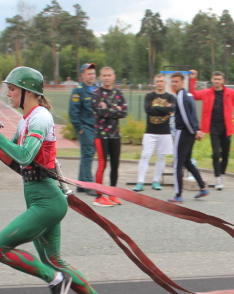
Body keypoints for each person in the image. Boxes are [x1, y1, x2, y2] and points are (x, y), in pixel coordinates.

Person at [0, 66, 113, 294]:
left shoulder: (40, 117)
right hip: (39, 197)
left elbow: (25, 156)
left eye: (12, 89)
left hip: (46, 200)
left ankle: (54, 280)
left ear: (28, 91)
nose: (8, 93)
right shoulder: (26, 119)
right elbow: (14, 160)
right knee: (54, 260)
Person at [188, 70, 234, 190]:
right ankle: (217, 178)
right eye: (215, 79)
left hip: (226, 127)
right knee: (216, 154)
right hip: (213, 126)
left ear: (223, 81)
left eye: (219, 79)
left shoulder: (230, 93)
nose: (217, 81)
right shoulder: (207, 93)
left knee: (225, 155)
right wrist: (192, 79)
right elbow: (193, 94)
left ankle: (221, 175)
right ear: (212, 80)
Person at [168, 72, 210, 203]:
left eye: (176, 81)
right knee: (187, 162)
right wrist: (197, 130)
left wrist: (194, 131)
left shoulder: (180, 96)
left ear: (182, 82)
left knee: (177, 164)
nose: (174, 84)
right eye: (173, 81)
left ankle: (178, 194)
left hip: (183, 132)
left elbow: (186, 117)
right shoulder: (189, 95)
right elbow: (193, 115)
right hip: (190, 133)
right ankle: (203, 188)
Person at [91, 66, 127, 207]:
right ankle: (99, 196)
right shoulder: (96, 93)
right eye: (104, 75)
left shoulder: (119, 93)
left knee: (115, 165)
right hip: (101, 134)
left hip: (115, 135)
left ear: (114, 77)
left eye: (109, 75)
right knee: (102, 164)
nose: (107, 77)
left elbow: (124, 112)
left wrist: (107, 108)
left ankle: (112, 194)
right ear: (101, 77)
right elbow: (100, 111)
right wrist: (114, 109)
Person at [134, 74, 175, 192]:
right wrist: (163, 110)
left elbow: (171, 110)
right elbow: (148, 110)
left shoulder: (170, 97)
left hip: (165, 132)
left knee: (161, 157)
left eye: (161, 81)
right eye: (157, 81)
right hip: (150, 131)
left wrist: (156, 108)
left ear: (165, 82)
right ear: (154, 83)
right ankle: (140, 181)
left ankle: (156, 181)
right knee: (145, 155)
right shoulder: (149, 96)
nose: (159, 83)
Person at [68, 63, 98, 193]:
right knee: (88, 154)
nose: (92, 76)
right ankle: (88, 185)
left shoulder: (96, 88)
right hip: (85, 127)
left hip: (95, 127)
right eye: (89, 74)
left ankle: (81, 184)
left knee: (87, 154)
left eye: (93, 73)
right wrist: (79, 128)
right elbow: (73, 112)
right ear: (82, 75)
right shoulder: (78, 90)